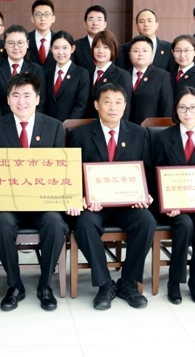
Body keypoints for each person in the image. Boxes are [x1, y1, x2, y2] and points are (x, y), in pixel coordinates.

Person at [67, 83, 156, 310]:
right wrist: (82, 197)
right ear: (97, 105)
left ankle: (128, 282)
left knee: (146, 221)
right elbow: (72, 174)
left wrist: (145, 194)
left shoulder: (139, 133)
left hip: (128, 204)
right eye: (107, 102)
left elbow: (146, 171)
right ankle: (105, 283)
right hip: (95, 205)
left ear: (125, 106)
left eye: (118, 102)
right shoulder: (80, 134)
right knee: (84, 224)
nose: (113, 107)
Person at [0, 73, 68, 311]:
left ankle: (45, 285)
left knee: (55, 224)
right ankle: (15, 285)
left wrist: (69, 198)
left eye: (27, 95)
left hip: (43, 203)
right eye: (16, 95)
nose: (21, 101)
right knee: (0, 226)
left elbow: (62, 170)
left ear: (38, 99)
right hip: (9, 204)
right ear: (8, 99)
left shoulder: (54, 126)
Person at [154, 87, 195, 305]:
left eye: (193, 107)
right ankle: (174, 280)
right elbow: (156, 174)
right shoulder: (165, 136)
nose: (188, 112)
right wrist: (167, 203)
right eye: (182, 108)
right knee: (184, 224)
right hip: (175, 205)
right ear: (176, 110)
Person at [0, 24, 46, 123]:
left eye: (20, 43)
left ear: (27, 43)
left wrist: (29, 122)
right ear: (4, 45)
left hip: (29, 123)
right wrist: (1, 123)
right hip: (1, 123)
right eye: (11, 43)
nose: (16, 47)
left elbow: (40, 100)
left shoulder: (37, 70)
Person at [85, 30, 133, 119]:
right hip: (88, 124)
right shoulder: (87, 74)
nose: (100, 51)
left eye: (106, 47)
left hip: (111, 124)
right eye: (97, 46)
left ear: (113, 50)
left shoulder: (122, 75)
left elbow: (125, 109)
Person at [126, 35, 173, 125]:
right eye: (136, 51)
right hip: (126, 128)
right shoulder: (124, 75)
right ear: (129, 54)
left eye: (145, 51)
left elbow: (166, 107)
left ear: (152, 54)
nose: (140, 54)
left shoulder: (162, 76)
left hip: (151, 128)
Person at [44, 31, 89, 122]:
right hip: (49, 125)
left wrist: (67, 124)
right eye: (56, 48)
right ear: (51, 49)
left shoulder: (82, 74)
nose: (60, 52)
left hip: (70, 126)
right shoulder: (46, 73)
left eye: (65, 48)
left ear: (72, 49)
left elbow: (81, 104)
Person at [73, 5, 125, 70]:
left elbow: (120, 71)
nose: (95, 23)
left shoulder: (116, 46)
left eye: (99, 19)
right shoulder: (76, 46)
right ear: (85, 24)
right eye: (91, 19)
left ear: (105, 24)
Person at [28, 0, 56, 72]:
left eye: (47, 14)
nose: (42, 18)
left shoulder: (59, 40)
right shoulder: (25, 39)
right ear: (32, 19)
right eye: (38, 14)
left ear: (53, 18)